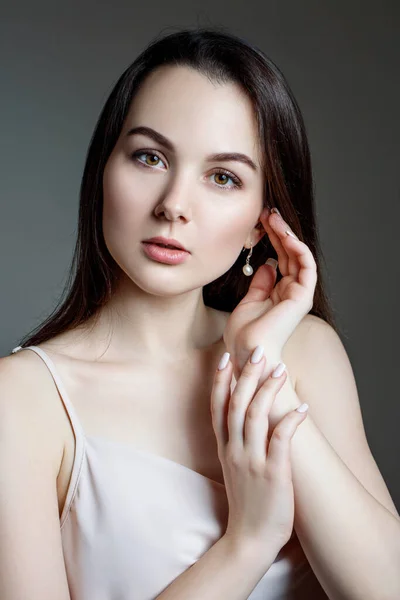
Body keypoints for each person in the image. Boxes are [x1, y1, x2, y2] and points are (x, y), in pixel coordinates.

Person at [2, 26, 398, 600]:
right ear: (104, 169)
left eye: (222, 177)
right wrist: (249, 543)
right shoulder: (23, 401)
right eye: (149, 156)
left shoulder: (304, 352)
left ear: (260, 223)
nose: (173, 205)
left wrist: (260, 364)